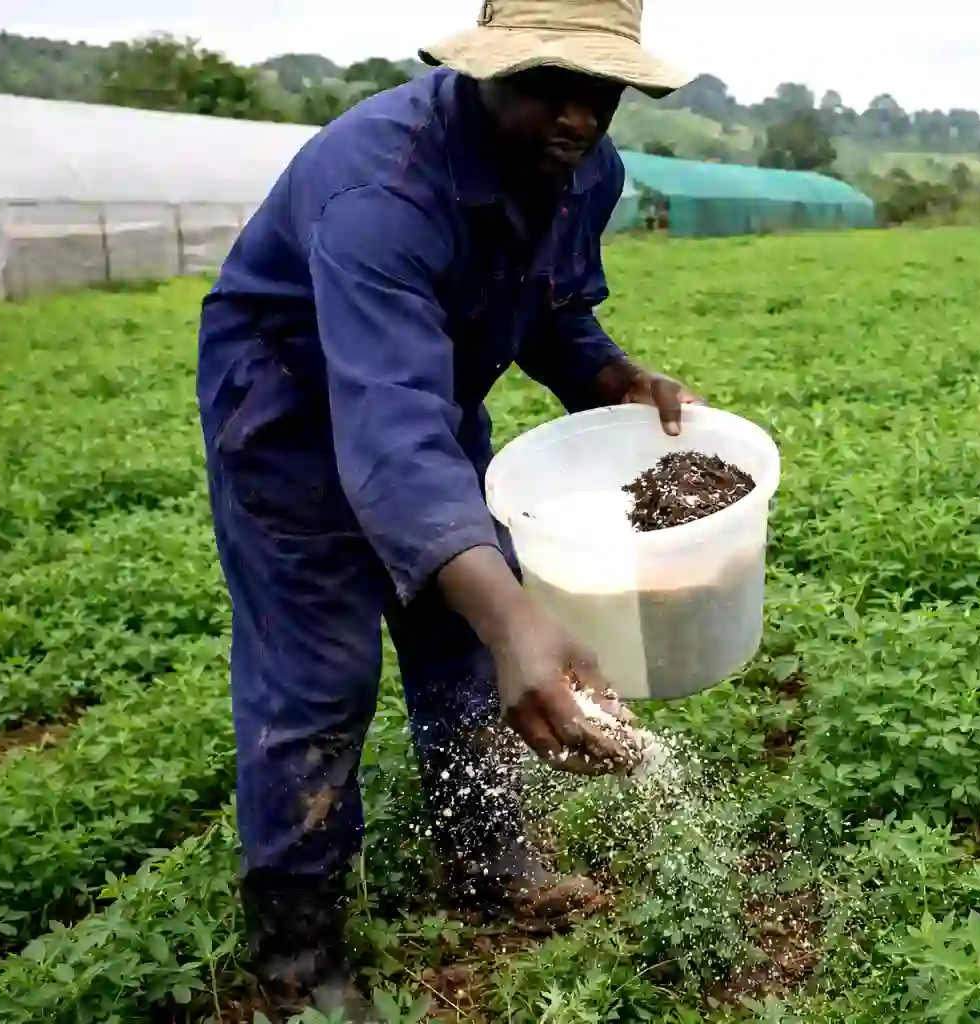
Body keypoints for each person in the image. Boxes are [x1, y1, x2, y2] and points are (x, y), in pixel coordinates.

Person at [194, 0, 695, 1016]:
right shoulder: (381, 185)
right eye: (549, 82)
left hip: (425, 395)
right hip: (286, 410)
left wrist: (611, 377)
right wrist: (516, 613)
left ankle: (487, 859)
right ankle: (297, 953)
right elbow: (383, 436)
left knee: (457, 643)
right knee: (321, 674)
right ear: (485, 71)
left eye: (599, 89)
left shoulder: (585, 171)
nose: (578, 114)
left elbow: (550, 305)